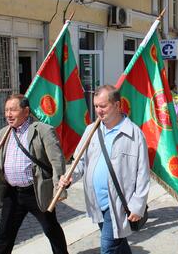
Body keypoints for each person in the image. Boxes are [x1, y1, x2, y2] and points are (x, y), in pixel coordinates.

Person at [59, 85, 150, 254]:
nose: (98, 111)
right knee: (118, 242)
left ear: (117, 105)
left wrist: (138, 205)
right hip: (96, 200)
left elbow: (143, 173)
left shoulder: (134, 134)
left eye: (103, 106)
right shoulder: (90, 131)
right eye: (95, 106)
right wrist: (70, 176)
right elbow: (80, 161)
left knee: (108, 247)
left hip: (118, 204)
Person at [0, 94, 68, 254]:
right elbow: (0, 161)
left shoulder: (43, 130)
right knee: (4, 234)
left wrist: (59, 188)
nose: (8, 114)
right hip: (12, 193)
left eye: (13, 110)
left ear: (26, 111)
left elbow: (57, 162)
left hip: (36, 191)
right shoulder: (3, 133)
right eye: (6, 110)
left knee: (51, 230)